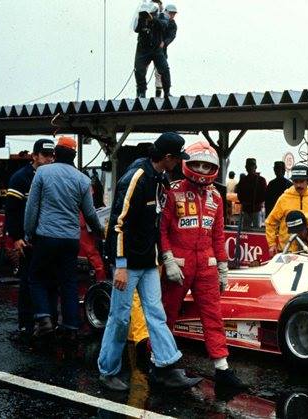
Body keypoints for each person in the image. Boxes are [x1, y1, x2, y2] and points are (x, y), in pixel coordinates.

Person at [99, 132, 200, 391]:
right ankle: (108, 370)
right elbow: (118, 225)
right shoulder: (136, 178)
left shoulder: (160, 179)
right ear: (167, 157)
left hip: (147, 263)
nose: (179, 163)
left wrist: (158, 259)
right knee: (120, 318)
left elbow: (154, 224)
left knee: (156, 313)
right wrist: (120, 265)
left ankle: (166, 366)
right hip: (127, 264)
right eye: (178, 158)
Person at [160, 139, 247, 389]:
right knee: (167, 314)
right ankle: (160, 362)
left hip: (207, 264)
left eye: (207, 166)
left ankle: (222, 370)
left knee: (213, 316)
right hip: (178, 263)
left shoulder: (217, 197)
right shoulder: (172, 190)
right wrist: (167, 259)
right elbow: (162, 230)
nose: (203, 170)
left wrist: (222, 267)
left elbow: (219, 236)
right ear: (187, 164)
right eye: (197, 164)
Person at [24, 137, 104, 337]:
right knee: (68, 282)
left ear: (56, 154)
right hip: (70, 239)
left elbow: (32, 207)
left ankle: (43, 318)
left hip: (46, 236)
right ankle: (71, 326)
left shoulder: (42, 172)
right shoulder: (83, 180)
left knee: (36, 277)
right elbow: (90, 213)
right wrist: (100, 230)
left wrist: (28, 232)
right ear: (74, 157)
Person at [5, 138, 55, 334]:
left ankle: (48, 322)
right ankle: (26, 324)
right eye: (45, 155)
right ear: (34, 156)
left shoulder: (52, 177)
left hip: (47, 240)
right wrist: (16, 237)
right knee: (27, 283)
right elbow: (12, 210)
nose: (50, 159)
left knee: (50, 282)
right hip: (27, 241)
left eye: (52, 155)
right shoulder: (20, 178)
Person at [265, 164, 308, 256]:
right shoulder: (284, 198)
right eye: (295, 181)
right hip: (286, 250)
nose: (298, 185)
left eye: (302, 181)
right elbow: (270, 222)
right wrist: (272, 244)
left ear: (307, 181)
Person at [133, 2, 170, 98]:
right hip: (143, 48)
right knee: (139, 69)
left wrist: (153, 19)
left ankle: (167, 92)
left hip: (156, 49)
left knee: (164, 69)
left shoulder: (162, 15)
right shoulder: (142, 16)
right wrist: (141, 18)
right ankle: (141, 92)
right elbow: (136, 29)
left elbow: (164, 25)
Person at [154, 3, 177, 98]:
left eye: (173, 14)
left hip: (161, 51)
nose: (172, 15)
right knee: (143, 70)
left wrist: (164, 42)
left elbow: (171, 36)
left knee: (160, 72)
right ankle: (141, 95)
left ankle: (160, 95)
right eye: (171, 13)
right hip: (150, 48)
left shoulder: (172, 25)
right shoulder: (160, 18)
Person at [236, 158, 267, 229]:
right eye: (249, 166)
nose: (250, 168)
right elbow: (239, 194)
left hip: (254, 209)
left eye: (251, 166)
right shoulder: (260, 180)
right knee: (253, 230)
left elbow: (239, 194)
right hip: (251, 209)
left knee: (249, 230)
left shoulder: (244, 180)